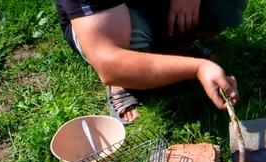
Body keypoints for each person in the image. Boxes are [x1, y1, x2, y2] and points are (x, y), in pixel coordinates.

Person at [55, 0, 245, 123]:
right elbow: (109, 60)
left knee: (224, 5)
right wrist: (198, 68)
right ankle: (121, 85)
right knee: (129, 45)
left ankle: (178, 49)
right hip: (106, 20)